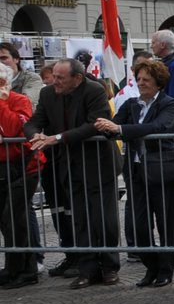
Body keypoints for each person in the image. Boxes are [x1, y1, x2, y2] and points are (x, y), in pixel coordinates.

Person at [27, 58, 121, 287]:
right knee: (79, 218)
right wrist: (35, 135)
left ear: (77, 78)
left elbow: (94, 125)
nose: (55, 81)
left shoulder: (94, 91)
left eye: (60, 78)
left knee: (103, 218)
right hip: (69, 164)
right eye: (54, 77)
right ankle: (87, 268)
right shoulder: (48, 94)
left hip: (98, 163)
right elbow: (34, 121)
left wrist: (57, 138)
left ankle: (109, 267)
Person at [100, 58, 174, 288]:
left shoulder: (170, 104)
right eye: (138, 79)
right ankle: (151, 267)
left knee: (166, 224)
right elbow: (114, 126)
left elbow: (158, 127)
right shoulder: (131, 104)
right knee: (139, 226)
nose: (141, 83)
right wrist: (106, 127)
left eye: (146, 79)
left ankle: (166, 270)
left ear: (158, 82)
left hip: (162, 170)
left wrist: (121, 130)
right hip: (136, 171)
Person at [0, 61, 40, 288]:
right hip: (3, 166)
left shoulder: (19, 100)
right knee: (5, 220)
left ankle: (27, 268)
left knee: (16, 217)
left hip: (23, 165)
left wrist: (2, 103)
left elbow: (14, 127)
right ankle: (12, 266)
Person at [0, 41, 43, 105]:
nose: (0, 62)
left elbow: (27, 103)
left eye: (4, 58)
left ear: (16, 59)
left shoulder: (30, 78)